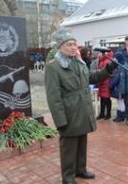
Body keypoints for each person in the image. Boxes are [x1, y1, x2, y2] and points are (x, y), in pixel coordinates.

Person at [45, 28, 117, 184]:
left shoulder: (79, 62)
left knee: (82, 142)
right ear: (60, 46)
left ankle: (80, 169)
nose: (73, 47)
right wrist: (60, 120)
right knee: (69, 146)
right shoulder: (53, 67)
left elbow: (91, 77)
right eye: (69, 44)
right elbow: (53, 96)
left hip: (82, 109)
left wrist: (108, 70)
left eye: (74, 44)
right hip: (69, 112)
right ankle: (68, 177)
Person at [108, 52, 126, 122]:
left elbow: (116, 78)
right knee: (120, 101)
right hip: (120, 87)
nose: (114, 59)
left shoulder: (120, 67)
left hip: (120, 87)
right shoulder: (122, 65)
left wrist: (110, 85)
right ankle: (119, 115)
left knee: (121, 102)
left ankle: (121, 116)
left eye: (116, 58)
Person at [96, 50, 114, 120]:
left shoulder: (107, 61)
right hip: (102, 82)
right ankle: (102, 113)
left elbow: (105, 72)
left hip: (106, 82)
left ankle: (107, 114)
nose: (100, 54)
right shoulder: (103, 60)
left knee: (106, 98)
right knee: (102, 98)